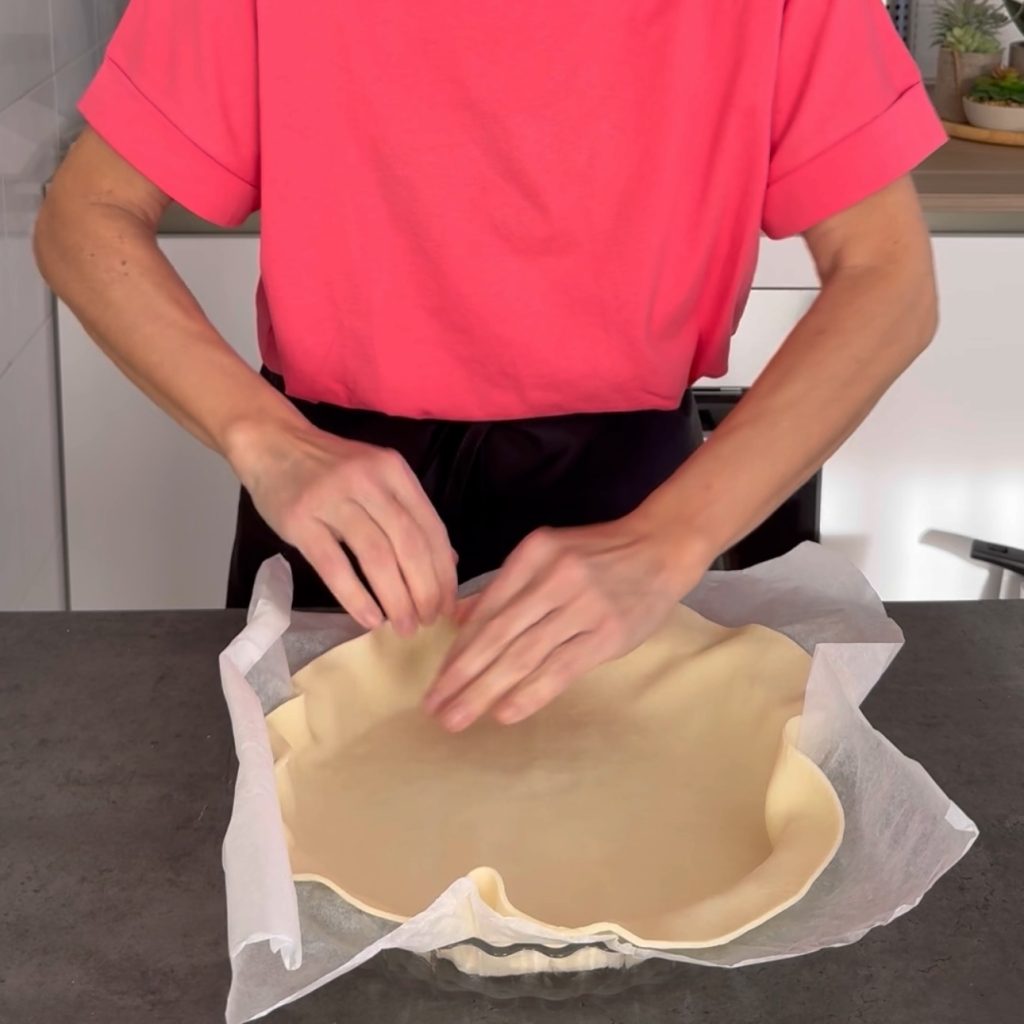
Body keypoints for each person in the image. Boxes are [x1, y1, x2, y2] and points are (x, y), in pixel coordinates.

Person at [35, 0, 944, 733]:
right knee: (312, 872)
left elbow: (888, 277)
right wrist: (265, 440)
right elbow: (87, 215)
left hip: (635, 507)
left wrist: (672, 538)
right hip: (334, 502)